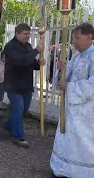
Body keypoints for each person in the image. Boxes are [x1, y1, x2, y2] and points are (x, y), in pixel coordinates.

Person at [50, 22, 94, 178]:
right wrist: (61, 70)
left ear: (90, 36)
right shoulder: (76, 57)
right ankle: (63, 168)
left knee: (83, 144)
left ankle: (82, 172)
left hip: (87, 115)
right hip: (70, 110)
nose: (74, 41)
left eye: (77, 37)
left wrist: (69, 86)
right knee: (68, 139)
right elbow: (63, 80)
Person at [3, 23, 45, 147]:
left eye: (29, 33)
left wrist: (39, 63)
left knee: (23, 109)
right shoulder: (10, 47)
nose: (28, 36)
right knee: (18, 109)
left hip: (26, 84)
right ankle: (18, 137)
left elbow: (31, 63)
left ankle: (9, 124)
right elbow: (21, 61)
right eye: (25, 34)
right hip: (13, 84)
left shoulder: (28, 46)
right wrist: (37, 50)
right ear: (17, 34)